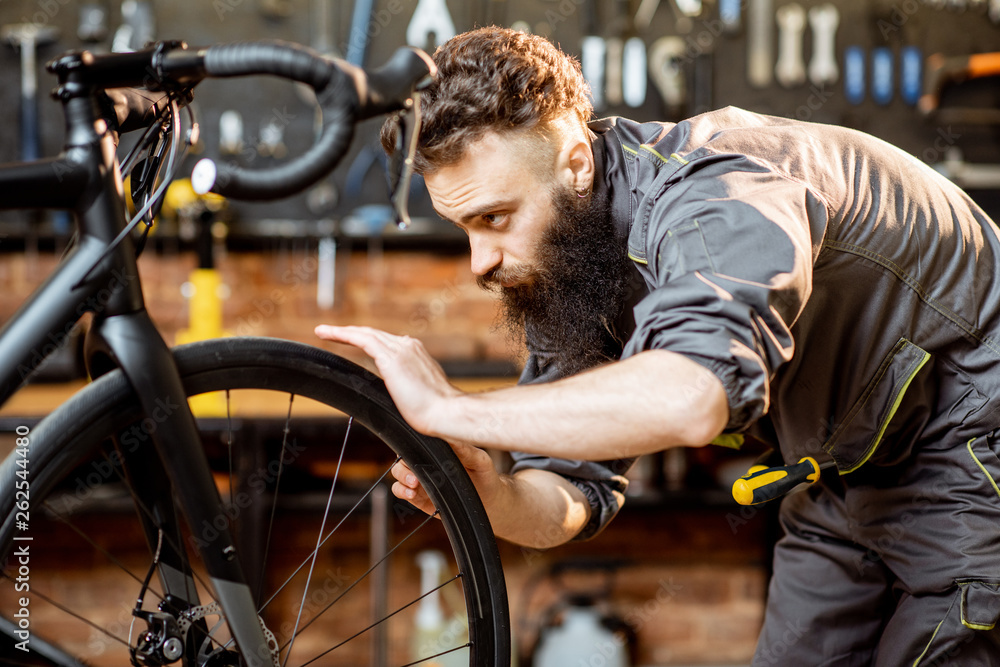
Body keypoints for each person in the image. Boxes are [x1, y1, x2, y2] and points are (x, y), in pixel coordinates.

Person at [315, 27, 1000, 665]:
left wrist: (452, 409)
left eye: (494, 218)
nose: (479, 262)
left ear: (575, 163)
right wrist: (495, 494)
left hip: (970, 450)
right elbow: (573, 490)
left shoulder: (719, 189)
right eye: (463, 227)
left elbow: (691, 397)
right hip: (839, 478)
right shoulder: (577, 259)